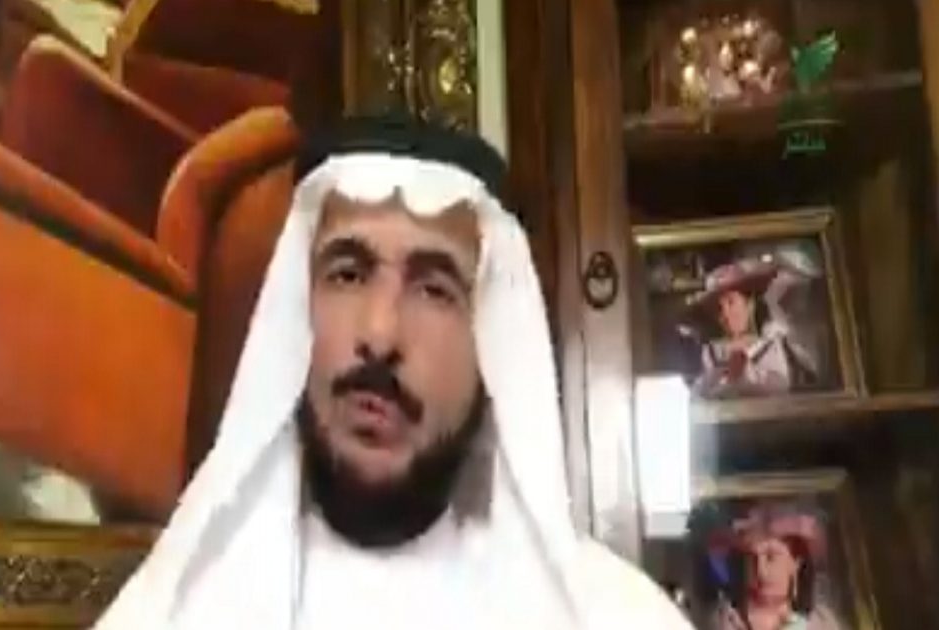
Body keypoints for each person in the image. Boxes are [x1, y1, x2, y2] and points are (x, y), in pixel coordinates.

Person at [94, 114, 693, 628]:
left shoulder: (616, 616)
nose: (379, 334)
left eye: (434, 289)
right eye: (347, 275)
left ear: (491, 340)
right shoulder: (172, 610)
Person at [688, 258, 818, 399]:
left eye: (731, 302)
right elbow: (701, 395)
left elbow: (780, 387)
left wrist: (743, 372)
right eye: (718, 308)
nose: (725, 314)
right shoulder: (712, 353)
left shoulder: (774, 343)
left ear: (749, 304)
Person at [710, 504, 844, 630]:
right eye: (752, 559)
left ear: (796, 561)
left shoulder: (821, 624)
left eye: (771, 557)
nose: (761, 571)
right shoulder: (725, 621)